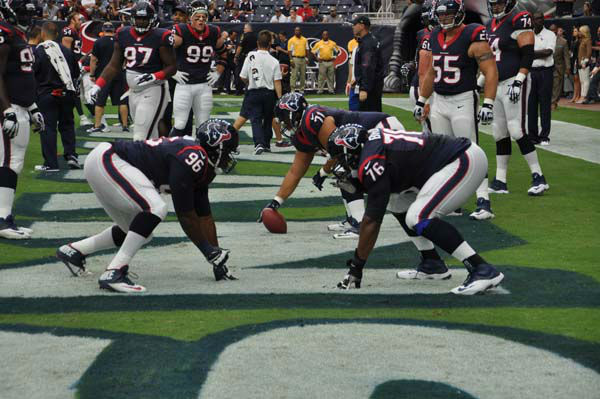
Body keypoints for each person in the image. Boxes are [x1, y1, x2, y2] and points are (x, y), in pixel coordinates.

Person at [56, 119, 239, 293]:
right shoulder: (193, 157)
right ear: (216, 148)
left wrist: (218, 261)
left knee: (137, 231)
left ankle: (75, 251)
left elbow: (204, 216)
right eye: (229, 151)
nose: (230, 157)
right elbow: (186, 215)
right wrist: (208, 252)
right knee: (156, 208)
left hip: (104, 162)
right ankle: (115, 271)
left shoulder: (202, 164)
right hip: (110, 160)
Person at [328, 124, 504, 295]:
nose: (340, 163)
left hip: (462, 160)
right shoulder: (372, 144)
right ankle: (432, 263)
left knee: (418, 217)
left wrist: (356, 267)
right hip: (452, 160)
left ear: (350, 151)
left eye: (340, 158)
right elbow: (390, 178)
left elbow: (371, 221)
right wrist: (361, 185)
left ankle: (482, 269)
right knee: (395, 202)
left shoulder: (371, 161)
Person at [263, 92, 404, 239]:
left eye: (285, 119)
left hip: (382, 129)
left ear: (295, 114)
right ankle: (353, 219)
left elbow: (339, 149)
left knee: (343, 168)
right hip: (369, 136)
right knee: (343, 167)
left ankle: (360, 223)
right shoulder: (303, 131)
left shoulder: (312, 119)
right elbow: (295, 172)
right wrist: (275, 203)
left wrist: (324, 171)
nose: (285, 124)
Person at [414, 0, 498, 220]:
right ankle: (453, 201)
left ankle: (483, 201)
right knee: (445, 154)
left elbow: (490, 71)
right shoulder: (433, 36)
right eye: (441, 15)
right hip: (440, 101)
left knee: (472, 151)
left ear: (460, 14)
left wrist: (488, 103)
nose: (444, 19)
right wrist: (422, 100)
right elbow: (432, 71)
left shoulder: (473, 34)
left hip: (463, 99)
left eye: (448, 14)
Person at [484, 0, 549, 196]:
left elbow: (527, 53)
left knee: (516, 129)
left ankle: (539, 176)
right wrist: (480, 81)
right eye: (492, 4)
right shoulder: (489, 25)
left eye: (499, 3)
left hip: (514, 80)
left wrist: (520, 79)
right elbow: (491, 57)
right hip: (496, 83)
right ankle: (500, 181)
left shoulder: (519, 19)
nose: (495, 7)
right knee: (499, 132)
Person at [88, 1, 176, 141]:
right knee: (149, 134)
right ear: (133, 18)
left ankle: (140, 161)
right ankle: (155, 161)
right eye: (139, 18)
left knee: (140, 135)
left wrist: (154, 76)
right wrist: (98, 85)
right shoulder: (123, 34)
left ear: (152, 19)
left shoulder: (161, 36)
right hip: (134, 92)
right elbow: (114, 65)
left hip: (154, 88)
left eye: (145, 18)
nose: (141, 22)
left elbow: (172, 67)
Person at [0, 0, 42, 239]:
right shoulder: (4, 33)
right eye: (24, 13)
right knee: (7, 163)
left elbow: (22, 77)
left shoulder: (17, 34)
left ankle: (6, 217)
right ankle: (2, 221)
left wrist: (33, 106)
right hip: (10, 108)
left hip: (21, 106)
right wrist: (7, 109)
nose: (28, 18)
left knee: (14, 164)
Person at [170, 1, 226, 136]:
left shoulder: (213, 32)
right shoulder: (181, 31)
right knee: (180, 123)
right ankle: (171, 151)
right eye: (197, 17)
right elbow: (163, 51)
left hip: (204, 85)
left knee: (203, 125)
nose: (201, 20)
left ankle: (201, 154)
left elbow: (224, 53)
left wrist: (218, 71)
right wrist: (172, 71)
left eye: (203, 17)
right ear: (191, 18)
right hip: (184, 84)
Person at [33, 22, 81, 171]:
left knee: (48, 128)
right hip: (67, 93)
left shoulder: (39, 51)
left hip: (47, 94)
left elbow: (34, 73)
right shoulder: (67, 52)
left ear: (42, 34)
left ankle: (51, 163)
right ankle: (71, 155)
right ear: (57, 35)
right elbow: (75, 73)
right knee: (67, 125)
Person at [240, 30, 282, 155]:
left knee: (256, 119)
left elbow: (242, 76)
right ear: (270, 44)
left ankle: (258, 143)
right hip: (269, 93)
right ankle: (266, 144)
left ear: (257, 43)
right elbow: (277, 82)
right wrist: (279, 98)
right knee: (268, 119)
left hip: (254, 92)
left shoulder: (251, 56)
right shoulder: (274, 61)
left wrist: (249, 83)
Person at [89, 22, 128, 134]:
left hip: (104, 76)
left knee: (100, 102)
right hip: (119, 74)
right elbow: (125, 58)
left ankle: (97, 125)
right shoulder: (119, 42)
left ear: (103, 30)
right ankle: (125, 126)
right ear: (113, 30)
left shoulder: (98, 42)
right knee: (122, 101)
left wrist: (92, 74)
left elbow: (94, 60)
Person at [528, 12, 555, 146]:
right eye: (536, 19)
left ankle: (544, 136)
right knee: (531, 104)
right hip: (531, 71)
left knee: (545, 104)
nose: (539, 21)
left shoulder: (550, 34)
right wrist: (533, 54)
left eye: (541, 19)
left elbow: (548, 52)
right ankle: (532, 136)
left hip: (545, 72)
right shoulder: (528, 34)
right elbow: (522, 52)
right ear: (532, 20)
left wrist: (530, 54)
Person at [60, 12, 91, 127]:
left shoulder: (75, 32)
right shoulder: (68, 31)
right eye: (78, 19)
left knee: (76, 93)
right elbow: (66, 52)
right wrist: (70, 67)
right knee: (74, 93)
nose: (80, 22)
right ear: (72, 20)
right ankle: (82, 118)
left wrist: (83, 58)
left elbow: (75, 53)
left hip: (75, 66)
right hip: (70, 67)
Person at [409, 0, 434, 133]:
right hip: (423, 87)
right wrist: (425, 100)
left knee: (432, 129)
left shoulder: (423, 34)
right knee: (432, 130)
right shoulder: (426, 36)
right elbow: (423, 70)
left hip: (427, 86)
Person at [353, 16, 384, 112]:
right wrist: (358, 79)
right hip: (372, 86)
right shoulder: (367, 41)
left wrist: (364, 88)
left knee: (369, 118)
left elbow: (368, 67)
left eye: (355, 25)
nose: (353, 27)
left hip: (371, 89)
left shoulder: (368, 43)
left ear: (362, 26)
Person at [311, 30, 339, 94]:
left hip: (330, 62)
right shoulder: (318, 43)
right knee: (321, 77)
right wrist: (317, 58)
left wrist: (334, 57)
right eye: (324, 34)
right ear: (322, 35)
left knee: (331, 77)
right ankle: (320, 90)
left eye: (326, 34)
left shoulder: (332, 43)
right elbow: (313, 52)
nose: (325, 36)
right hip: (322, 62)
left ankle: (331, 90)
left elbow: (337, 51)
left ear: (328, 35)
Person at [551, 25, 570, 110]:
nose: (553, 32)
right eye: (551, 30)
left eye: (554, 30)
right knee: (549, 85)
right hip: (547, 67)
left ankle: (554, 102)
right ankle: (549, 101)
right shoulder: (545, 40)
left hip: (558, 67)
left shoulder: (563, 42)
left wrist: (568, 67)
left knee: (557, 85)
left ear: (557, 31)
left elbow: (566, 56)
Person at [233, 23, 256, 95]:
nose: (244, 30)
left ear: (248, 28)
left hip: (244, 57)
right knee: (251, 74)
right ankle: (249, 89)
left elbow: (240, 47)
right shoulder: (256, 36)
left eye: (245, 28)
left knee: (240, 73)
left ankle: (238, 90)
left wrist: (236, 56)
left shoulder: (244, 36)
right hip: (253, 58)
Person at [288, 26, 308, 92]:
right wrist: (291, 60)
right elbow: (289, 51)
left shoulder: (305, 39)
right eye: (296, 30)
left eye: (298, 30)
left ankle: (301, 90)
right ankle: (292, 90)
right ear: (294, 31)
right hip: (295, 59)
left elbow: (307, 49)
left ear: (300, 31)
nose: (297, 32)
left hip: (303, 59)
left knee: (303, 75)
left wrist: (307, 58)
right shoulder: (291, 40)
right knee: (294, 75)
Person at [577, 25, 592, 103]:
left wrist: (585, 62)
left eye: (580, 31)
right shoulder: (582, 40)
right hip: (580, 62)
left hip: (584, 63)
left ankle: (584, 97)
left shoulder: (588, 40)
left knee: (586, 81)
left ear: (584, 32)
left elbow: (589, 53)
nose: (579, 32)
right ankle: (582, 96)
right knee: (582, 81)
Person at [346, 35, 359, 111]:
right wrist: (349, 81)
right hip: (354, 83)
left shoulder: (367, 48)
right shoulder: (354, 50)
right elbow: (351, 67)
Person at [569, 26, 581, 103]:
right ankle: (574, 95)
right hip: (572, 61)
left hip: (577, 61)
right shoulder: (572, 41)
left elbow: (579, 53)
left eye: (576, 31)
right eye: (573, 31)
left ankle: (578, 96)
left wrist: (577, 61)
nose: (574, 32)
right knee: (574, 79)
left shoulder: (579, 42)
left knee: (577, 79)